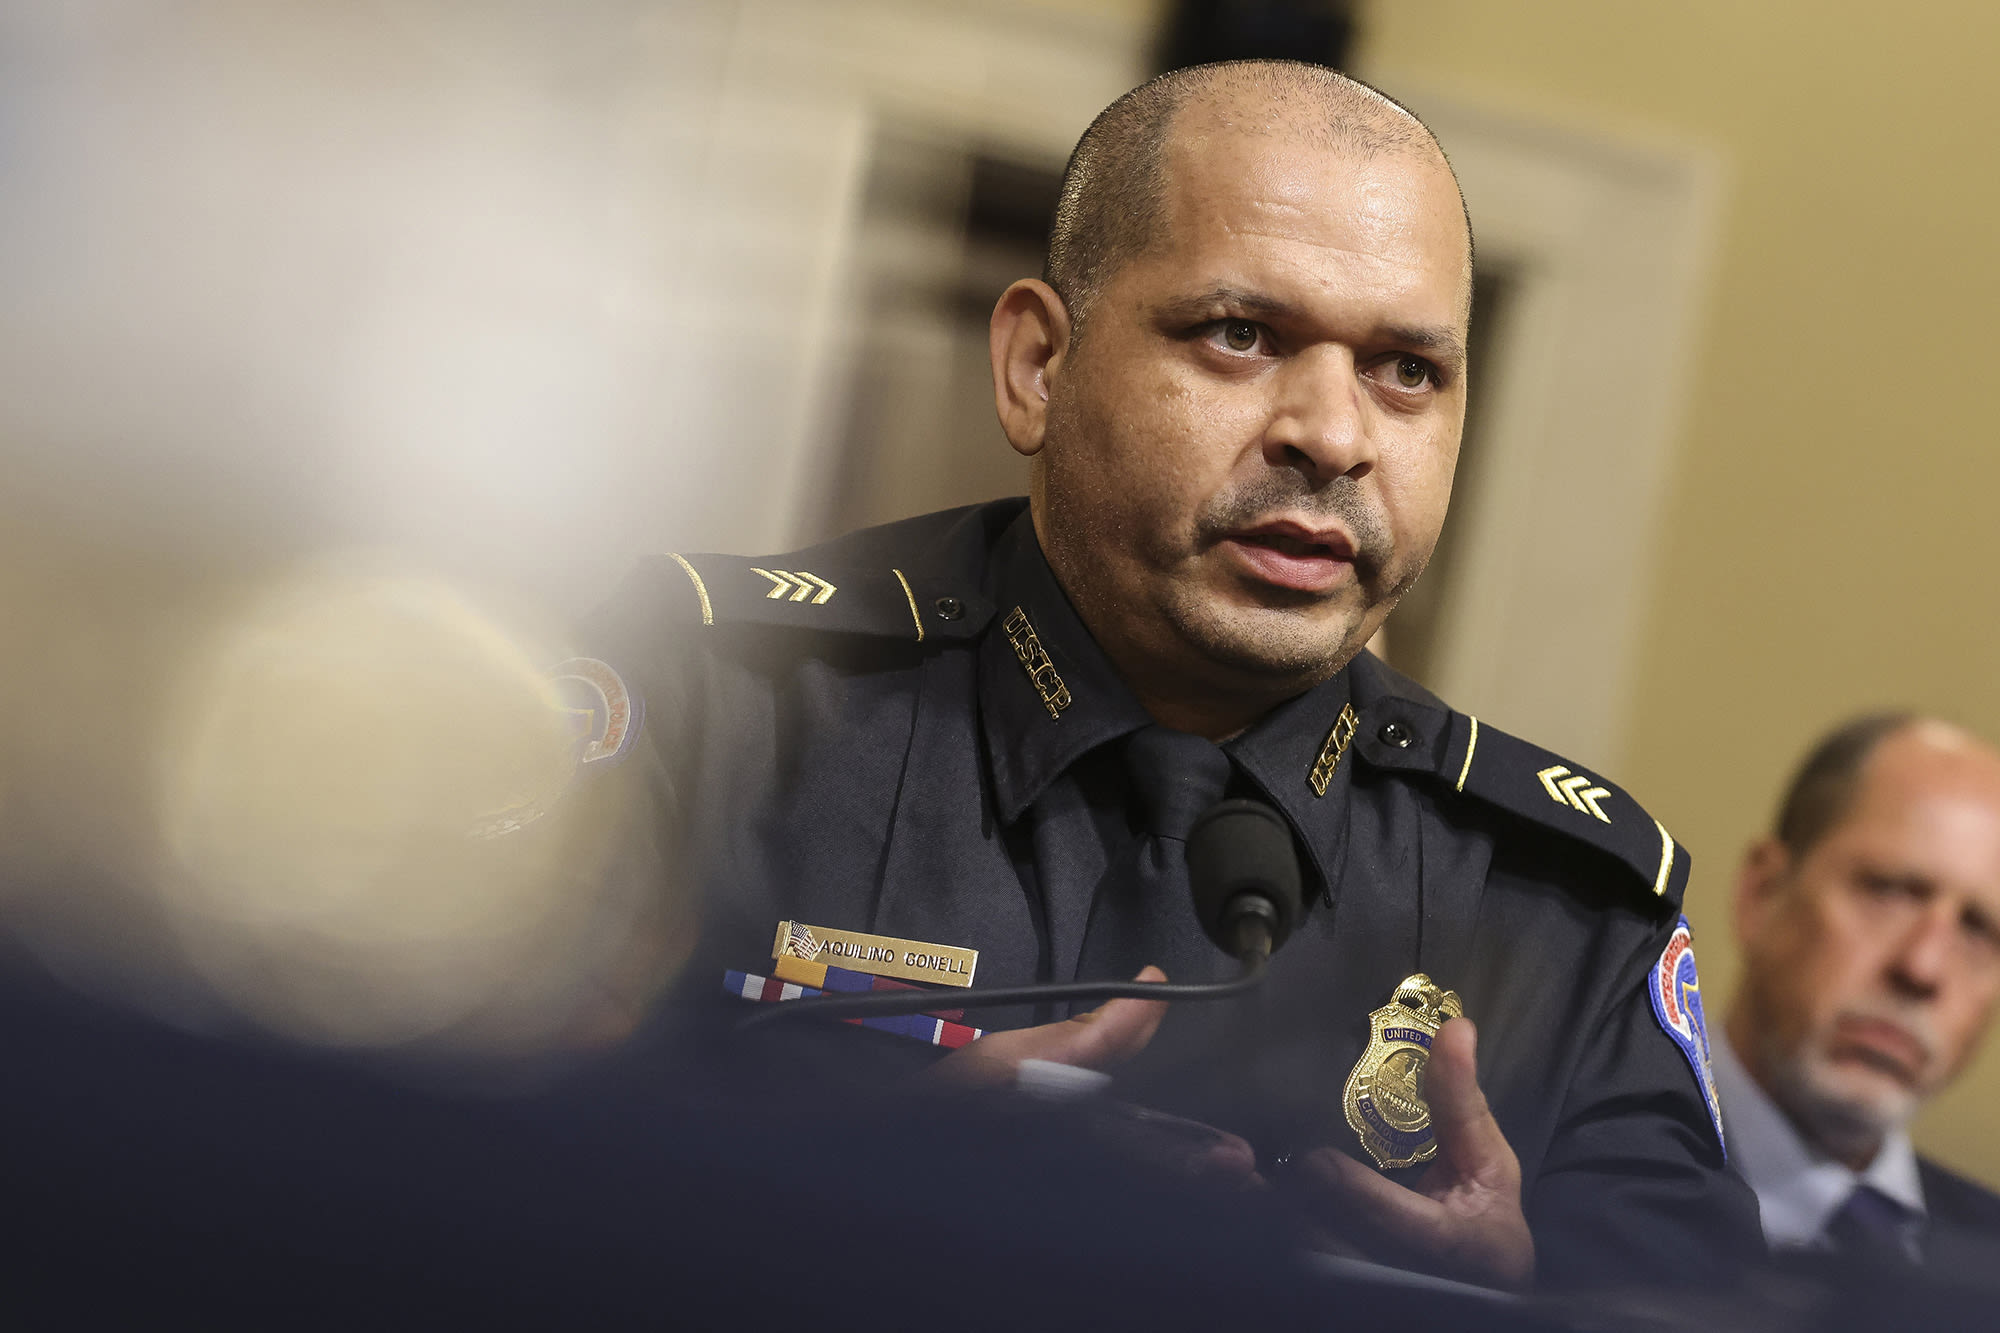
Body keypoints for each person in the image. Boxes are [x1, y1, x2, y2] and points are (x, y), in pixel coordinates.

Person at [526, 60, 1761, 1291]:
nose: (1332, 435)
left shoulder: (1559, 906)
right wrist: (847, 1188)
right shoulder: (719, 707)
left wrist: (1510, 1307)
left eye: (1406, 371)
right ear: (1035, 367)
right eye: (1239, 334)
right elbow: (415, 1180)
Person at [1718, 714, 2000, 1270]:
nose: (1922, 967)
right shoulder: (1535, 1197)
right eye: (1890, 891)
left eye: (1979, 930)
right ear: (1764, 894)